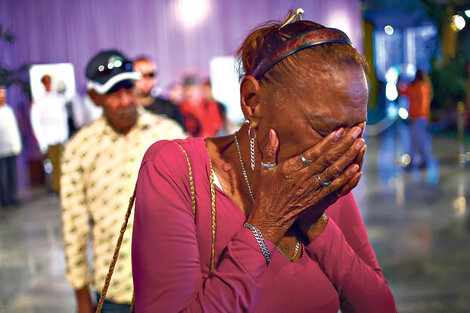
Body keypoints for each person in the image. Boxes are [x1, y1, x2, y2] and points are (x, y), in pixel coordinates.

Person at [132, 10, 396, 313]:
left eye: (356, 130)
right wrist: (268, 222)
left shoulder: (323, 178)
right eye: (324, 129)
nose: (346, 147)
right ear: (252, 101)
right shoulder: (174, 168)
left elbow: (380, 306)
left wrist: (313, 220)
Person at [60, 50, 186, 313]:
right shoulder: (80, 149)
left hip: (170, 285)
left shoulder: (168, 134)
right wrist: (82, 298)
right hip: (114, 292)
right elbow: (74, 227)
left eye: (129, 89)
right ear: (95, 98)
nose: (126, 100)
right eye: (114, 94)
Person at [30, 74, 69, 193]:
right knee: (51, 165)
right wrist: (41, 141)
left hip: (60, 136)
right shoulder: (40, 100)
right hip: (48, 137)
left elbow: (63, 118)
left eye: (49, 82)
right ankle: (55, 188)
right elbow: (36, 121)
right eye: (45, 82)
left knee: (63, 163)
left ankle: (63, 187)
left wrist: (65, 136)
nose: (47, 85)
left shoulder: (58, 98)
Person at [133, 57, 185, 127]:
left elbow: (181, 135)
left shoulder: (169, 107)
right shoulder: (127, 109)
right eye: (140, 75)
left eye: (150, 75)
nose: (146, 80)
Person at [399, 69, 434, 168]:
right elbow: (403, 91)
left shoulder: (418, 87)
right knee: (416, 139)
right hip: (419, 117)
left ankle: (422, 160)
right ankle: (417, 159)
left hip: (418, 117)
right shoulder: (424, 87)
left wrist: (400, 81)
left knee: (419, 139)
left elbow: (403, 91)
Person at [0, 85, 22, 207]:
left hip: (11, 148)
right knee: (2, 176)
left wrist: (17, 145)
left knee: (12, 174)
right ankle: (5, 199)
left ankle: (13, 197)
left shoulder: (9, 110)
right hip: (1, 150)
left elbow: (14, 130)